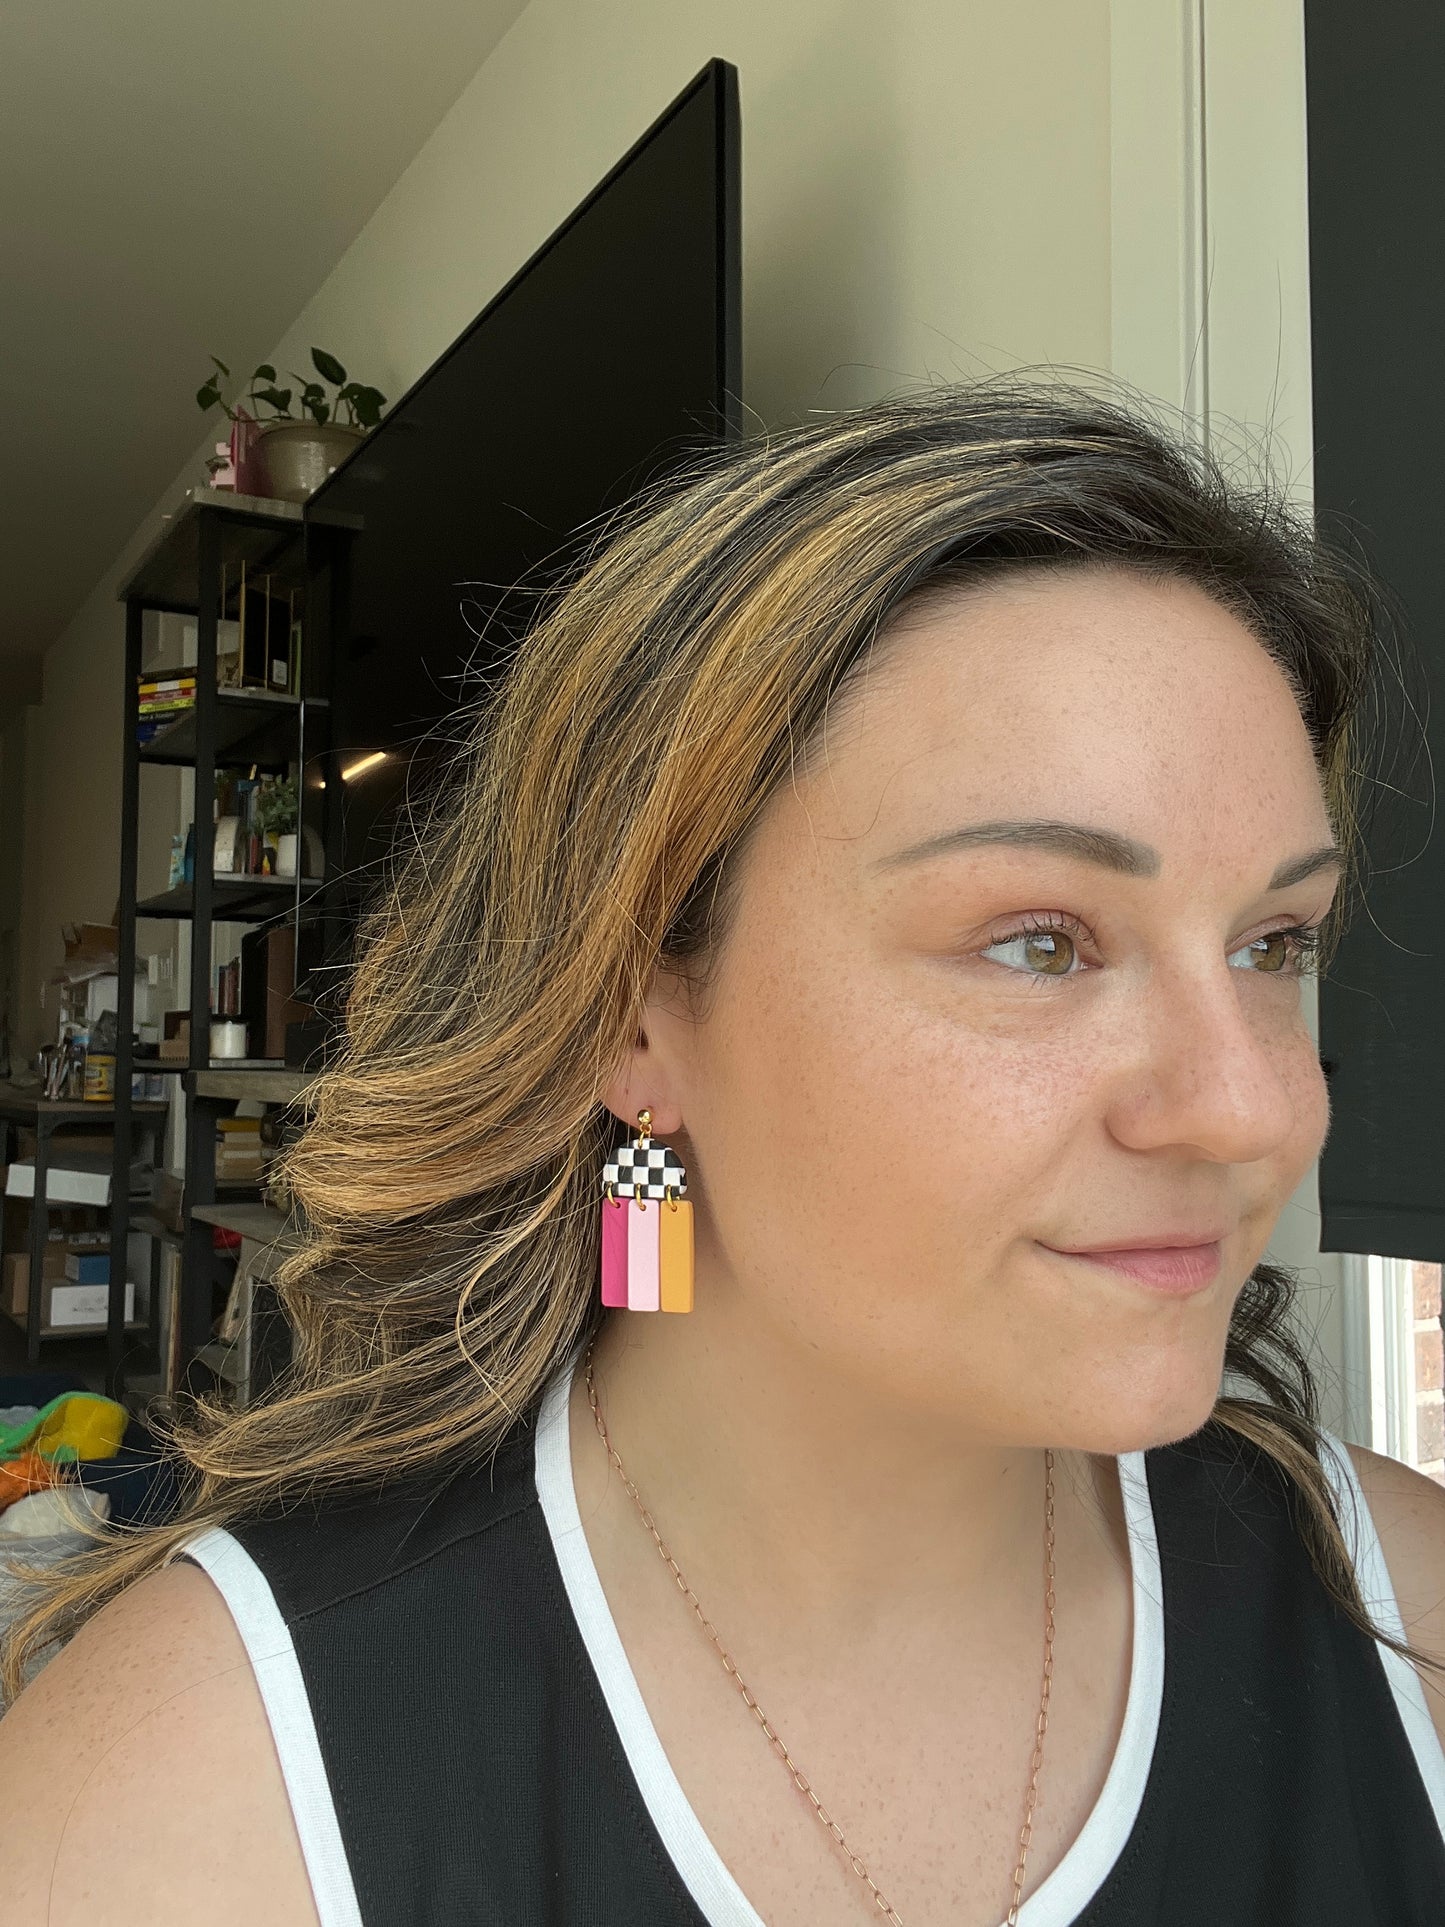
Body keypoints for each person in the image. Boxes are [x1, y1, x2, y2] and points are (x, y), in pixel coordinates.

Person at [2, 378, 1444, 1927]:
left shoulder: (1404, 1621)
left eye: (1272, 943)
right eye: (1038, 941)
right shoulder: (196, 1797)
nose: (1249, 1109)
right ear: (635, 1017)